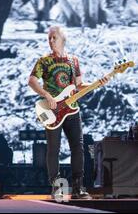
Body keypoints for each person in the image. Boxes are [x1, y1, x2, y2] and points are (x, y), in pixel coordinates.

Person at [28, 26, 109, 200]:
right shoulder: (44, 61)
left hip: (72, 110)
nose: (51, 41)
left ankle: (78, 188)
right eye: (49, 38)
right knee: (53, 150)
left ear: (63, 39)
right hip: (52, 110)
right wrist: (47, 95)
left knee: (78, 148)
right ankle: (57, 187)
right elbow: (32, 81)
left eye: (54, 38)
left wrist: (97, 83)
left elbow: (79, 85)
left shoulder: (73, 61)